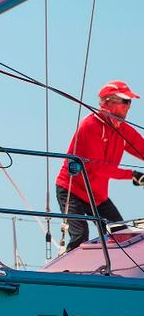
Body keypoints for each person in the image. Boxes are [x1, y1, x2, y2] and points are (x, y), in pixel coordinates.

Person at [56, 81, 144, 251]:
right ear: (107, 102)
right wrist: (132, 174)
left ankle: (115, 273)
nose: (128, 106)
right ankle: (71, 272)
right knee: (80, 235)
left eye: (130, 102)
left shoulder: (122, 129)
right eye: (125, 101)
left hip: (97, 195)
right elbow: (96, 168)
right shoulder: (90, 126)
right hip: (72, 190)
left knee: (120, 234)